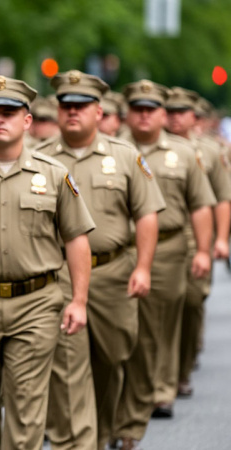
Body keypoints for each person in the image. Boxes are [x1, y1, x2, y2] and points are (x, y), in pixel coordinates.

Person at [0, 75, 95, 450]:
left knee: (26, 402)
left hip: (37, 301)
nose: (0, 120)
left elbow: (76, 237)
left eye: (9, 113)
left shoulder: (54, 175)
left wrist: (78, 300)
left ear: (27, 121)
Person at [36, 70, 166, 450]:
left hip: (112, 273)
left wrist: (142, 266)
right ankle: (78, 440)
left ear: (98, 110)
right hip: (58, 275)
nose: (72, 112)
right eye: (66, 106)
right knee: (67, 367)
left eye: (81, 106)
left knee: (112, 360)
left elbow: (146, 214)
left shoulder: (125, 157)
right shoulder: (40, 158)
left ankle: (104, 429)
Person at [112, 80, 215, 450]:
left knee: (157, 327)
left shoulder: (184, 154)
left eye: (151, 108)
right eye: (136, 108)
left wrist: (204, 249)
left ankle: (155, 395)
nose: (143, 114)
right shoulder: (111, 150)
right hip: (116, 254)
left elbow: (201, 204)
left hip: (170, 249)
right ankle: (114, 409)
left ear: (161, 113)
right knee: (117, 335)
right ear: (127, 112)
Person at [164, 87, 231, 402]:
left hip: (194, 238)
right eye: (171, 111)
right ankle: (160, 380)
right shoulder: (143, 149)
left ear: (194, 116)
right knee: (155, 314)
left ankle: (182, 368)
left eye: (181, 112)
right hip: (154, 241)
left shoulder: (209, 151)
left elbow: (222, 197)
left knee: (191, 303)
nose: (175, 117)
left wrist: (219, 239)